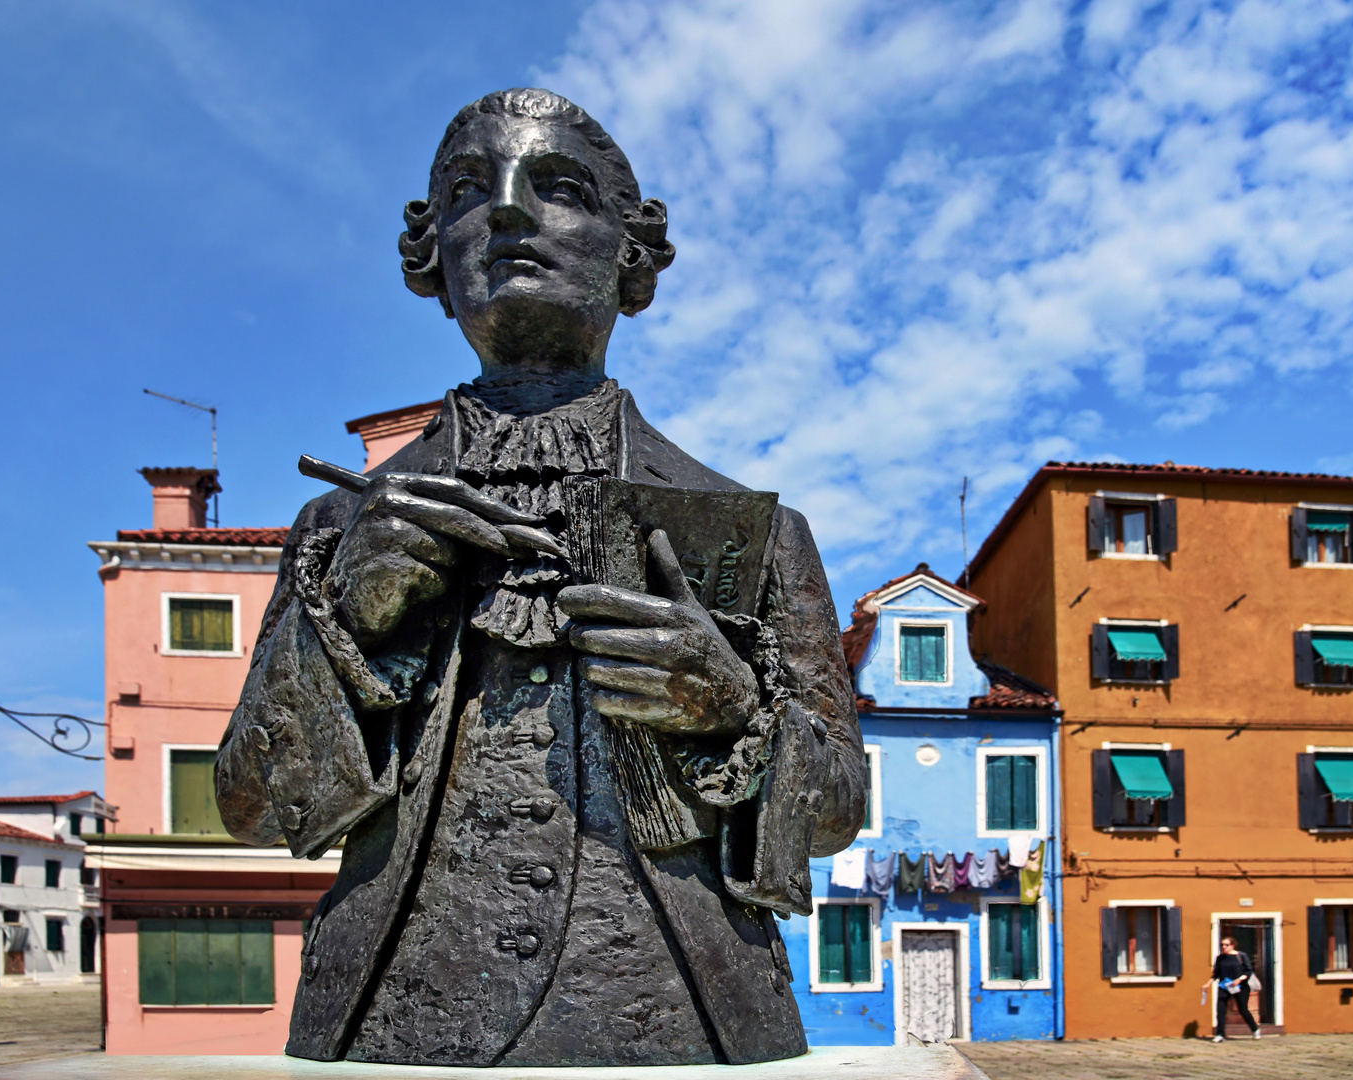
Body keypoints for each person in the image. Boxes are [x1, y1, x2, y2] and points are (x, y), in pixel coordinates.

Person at [214, 88, 866, 1068]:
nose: (509, 211)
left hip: (684, 1008)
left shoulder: (757, 533)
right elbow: (254, 806)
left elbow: (837, 813)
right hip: (399, 1012)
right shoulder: (336, 528)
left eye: (558, 188)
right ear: (432, 257)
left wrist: (732, 710)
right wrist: (350, 613)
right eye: (470, 191)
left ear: (630, 257)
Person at [1204, 936, 1262, 1042]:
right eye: (1222, 945)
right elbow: (1216, 974)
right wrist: (1208, 984)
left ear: (1233, 945)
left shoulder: (1241, 956)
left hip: (1240, 986)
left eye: (1226, 945)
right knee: (1220, 1010)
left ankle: (1255, 1030)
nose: (1223, 947)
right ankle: (1220, 1034)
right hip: (1224, 986)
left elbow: (1248, 971)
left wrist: (1239, 980)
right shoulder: (1220, 958)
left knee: (1243, 1009)